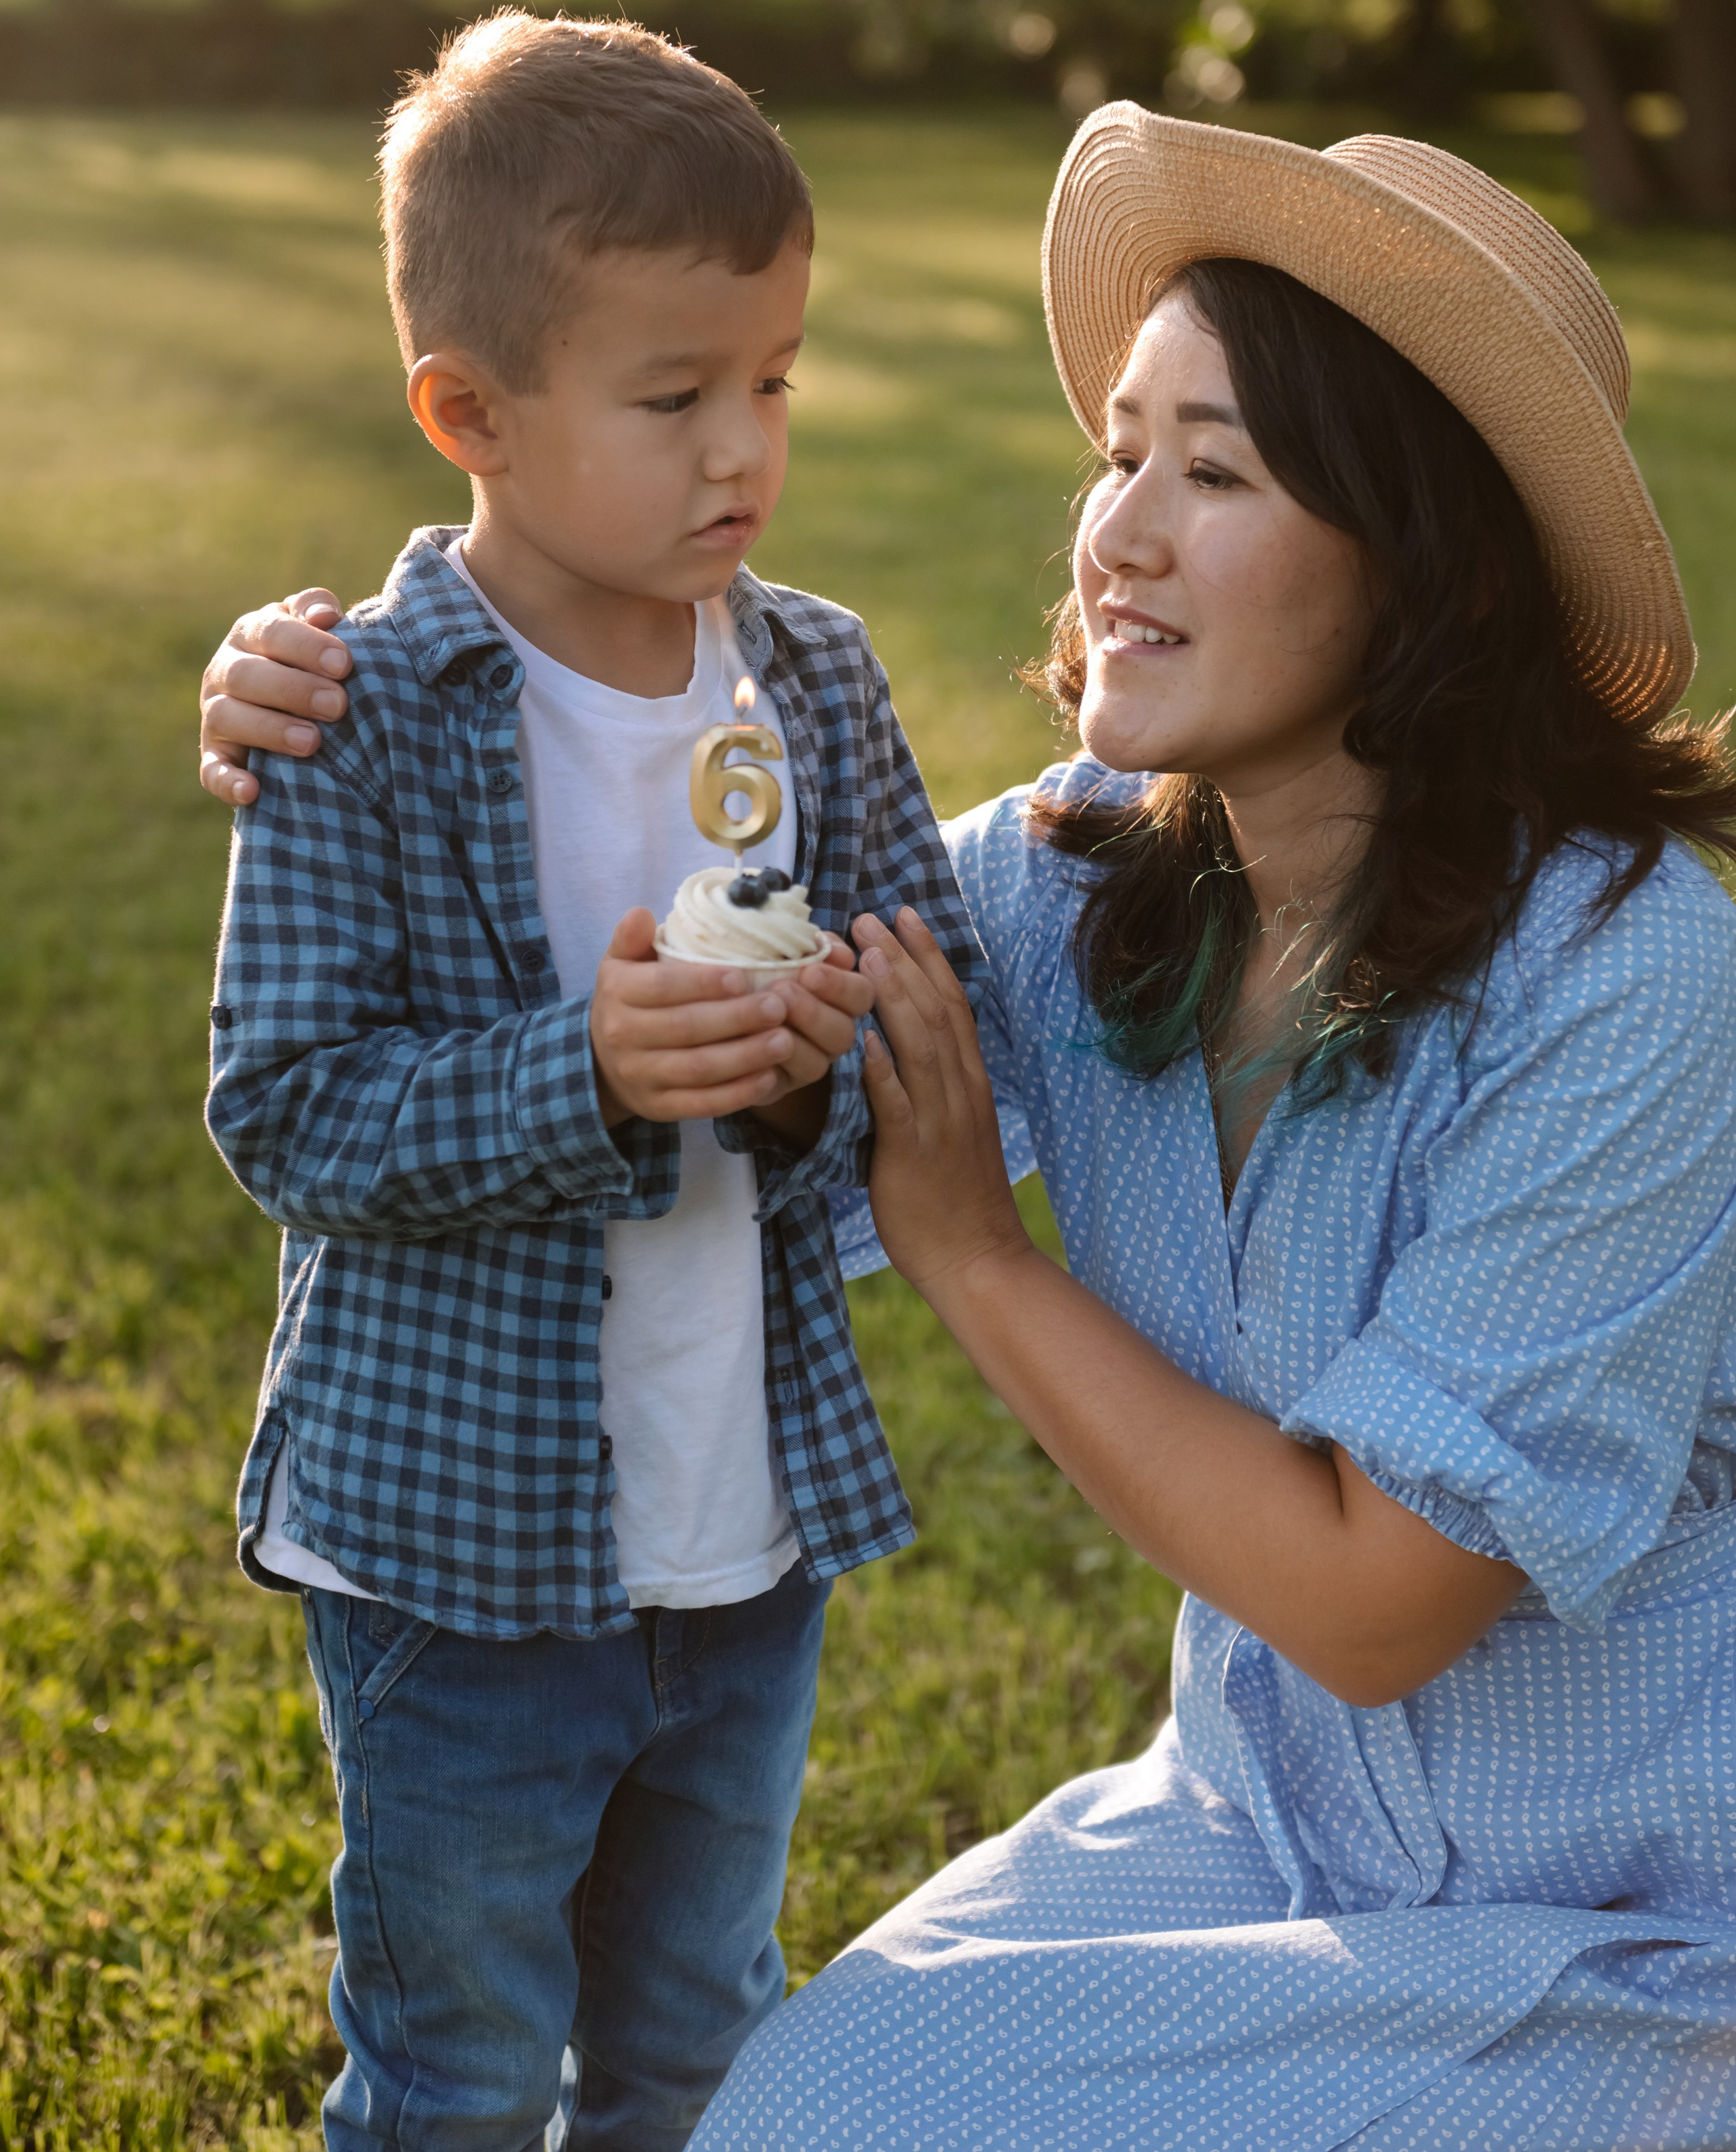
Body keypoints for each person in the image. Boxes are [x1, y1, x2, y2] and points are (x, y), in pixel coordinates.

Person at [204, 111, 1736, 2147]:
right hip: (1258, 1829)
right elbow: (717, 988)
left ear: (1422, 568)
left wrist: (979, 1253)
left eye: (1217, 474)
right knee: (788, 2124)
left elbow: (1377, 1606)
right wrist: (343, 691)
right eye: (1121, 452)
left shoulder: (1626, 968)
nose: (1113, 534)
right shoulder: (1065, 881)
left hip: (1646, 1918)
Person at [201, 10, 981, 2152]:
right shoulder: (356, 711)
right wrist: (590, 1074)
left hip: (740, 1539)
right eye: (674, 398)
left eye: (775, 380)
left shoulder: (811, 672)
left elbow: (934, 987)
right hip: (458, 1561)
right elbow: (288, 1109)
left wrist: (838, 1049)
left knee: (704, 2038)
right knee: (454, 2061)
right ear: (471, 411)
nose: (745, 448)